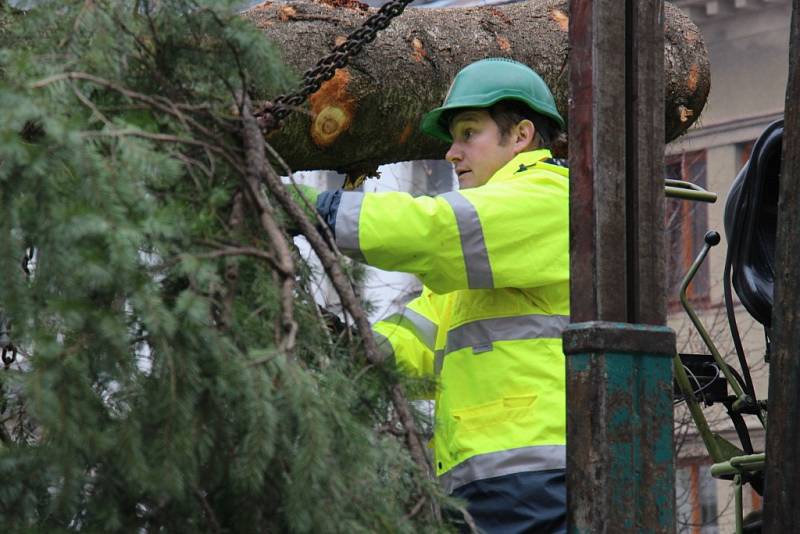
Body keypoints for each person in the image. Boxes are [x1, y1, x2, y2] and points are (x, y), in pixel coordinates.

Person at [303, 58, 569, 533]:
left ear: (522, 135)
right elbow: (420, 336)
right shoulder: (482, 255)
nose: (452, 152)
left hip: (535, 475)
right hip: (489, 479)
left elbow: (432, 229)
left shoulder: (547, 197)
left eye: (469, 133)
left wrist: (318, 209)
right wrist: (347, 347)